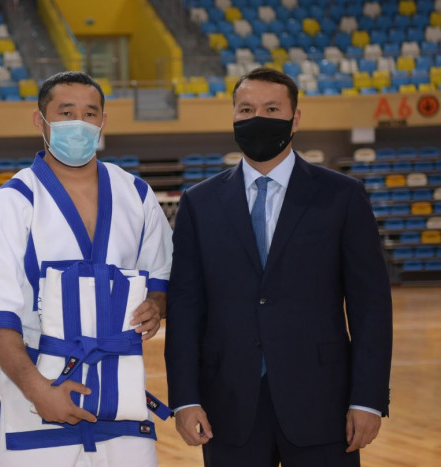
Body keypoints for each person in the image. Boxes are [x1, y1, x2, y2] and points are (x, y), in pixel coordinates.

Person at [165, 67, 393, 467]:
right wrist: (184, 398)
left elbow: (370, 306)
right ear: (233, 116)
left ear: (295, 118)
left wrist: (367, 400)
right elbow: (184, 308)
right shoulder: (199, 203)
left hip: (324, 402)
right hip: (227, 404)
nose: (258, 118)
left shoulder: (342, 196)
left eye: (272, 109)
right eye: (246, 109)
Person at [0, 71, 173, 466]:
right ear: (40, 120)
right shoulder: (10, 203)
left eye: (89, 114)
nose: (79, 124)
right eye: (66, 114)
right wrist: (38, 390)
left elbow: (161, 279)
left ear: (102, 121)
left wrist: (156, 304)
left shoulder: (136, 193)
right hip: (36, 399)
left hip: (122, 401)